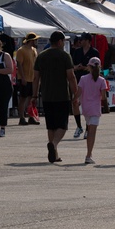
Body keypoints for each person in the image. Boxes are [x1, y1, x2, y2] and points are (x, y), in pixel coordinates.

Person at [34, 31, 79, 164]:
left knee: (51, 126)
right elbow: (71, 76)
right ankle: (53, 145)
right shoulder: (65, 56)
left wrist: (34, 95)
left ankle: (55, 153)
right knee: (63, 126)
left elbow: (36, 77)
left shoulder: (41, 56)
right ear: (59, 42)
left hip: (47, 96)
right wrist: (75, 94)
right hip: (62, 95)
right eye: (64, 41)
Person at [77, 57, 108, 164]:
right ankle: (88, 155)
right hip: (95, 108)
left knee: (89, 130)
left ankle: (89, 154)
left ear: (89, 67)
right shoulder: (102, 80)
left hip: (85, 108)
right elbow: (103, 97)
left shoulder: (83, 78)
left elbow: (78, 92)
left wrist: (74, 100)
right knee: (92, 133)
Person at [70, 33, 100, 138]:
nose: (80, 42)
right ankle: (79, 126)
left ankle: (88, 129)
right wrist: (77, 67)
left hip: (90, 82)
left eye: (82, 40)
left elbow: (97, 68)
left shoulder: (94, 52)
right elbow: (71, 66)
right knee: (75, 103)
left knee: (88, 106)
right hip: (78, 80)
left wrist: (86, 68)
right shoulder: (77, 52)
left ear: (87, 41)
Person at [14, 33, 40, 126]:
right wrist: (23, 77)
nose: (36, 41)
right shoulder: (21, 50)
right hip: (24, 78)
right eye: (35, 40)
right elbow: (19, 64)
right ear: (31, 40)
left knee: (31, 98)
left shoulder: (34, 50)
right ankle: (21, 117)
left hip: (32, 78)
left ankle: (31, 117)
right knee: (23, 98)